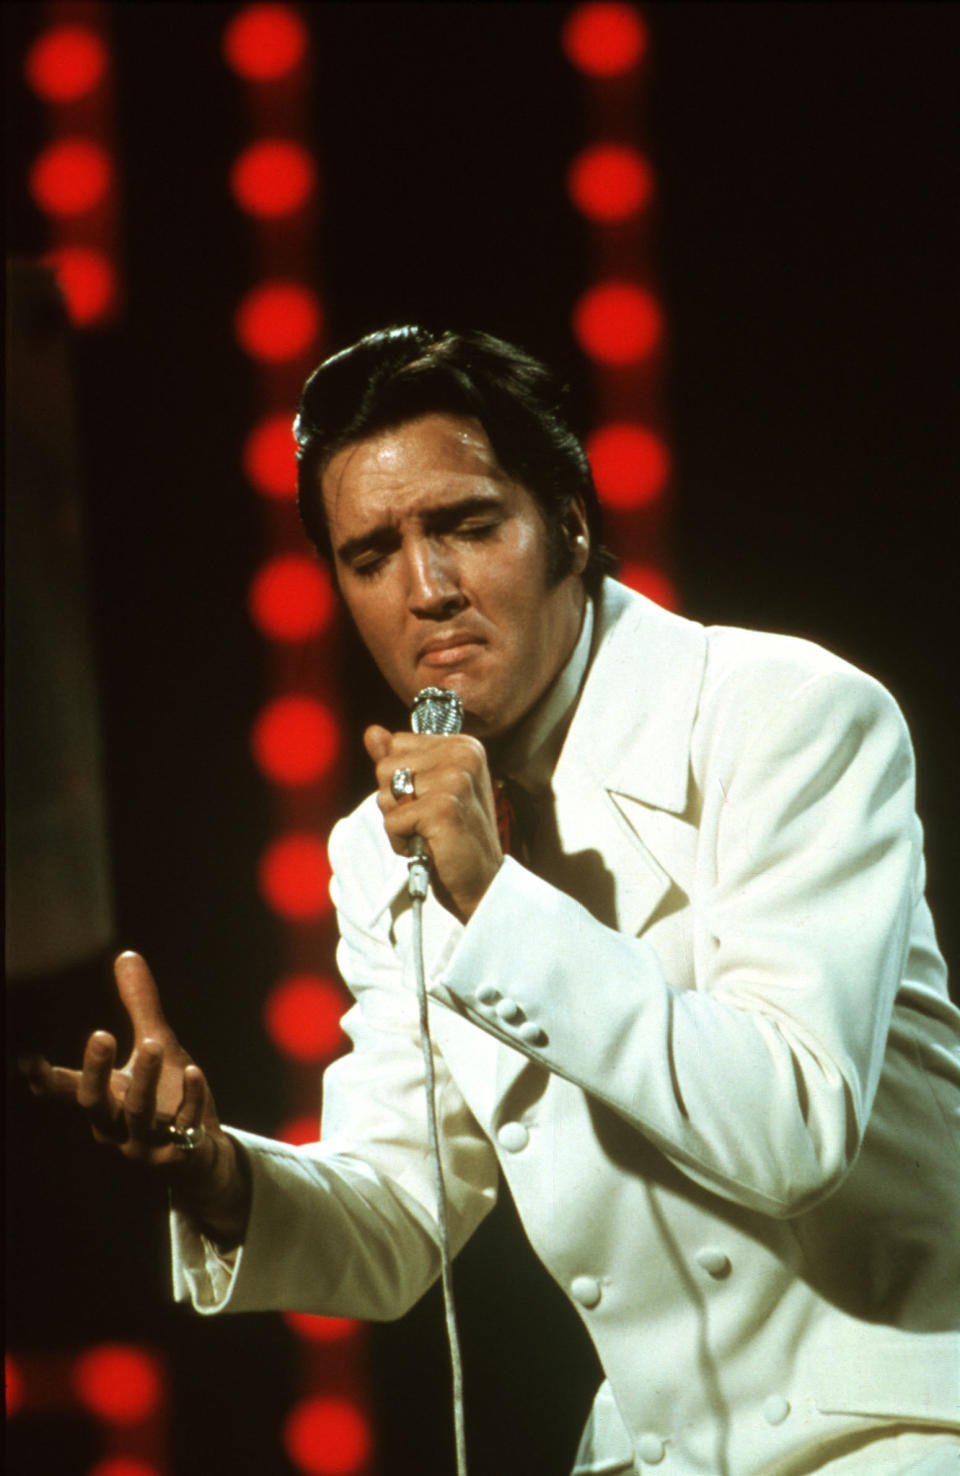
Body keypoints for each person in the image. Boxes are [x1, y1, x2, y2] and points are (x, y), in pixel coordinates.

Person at [29, 327, 960, 1474]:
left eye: (466, 525)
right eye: (371, 554)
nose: (427, 591)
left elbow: (796, 1127)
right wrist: (214, 1171)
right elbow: (399, 1218)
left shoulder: (785, 714)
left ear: (569, 522)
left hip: (905, 1428)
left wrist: (492, 892)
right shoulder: (378, 848)